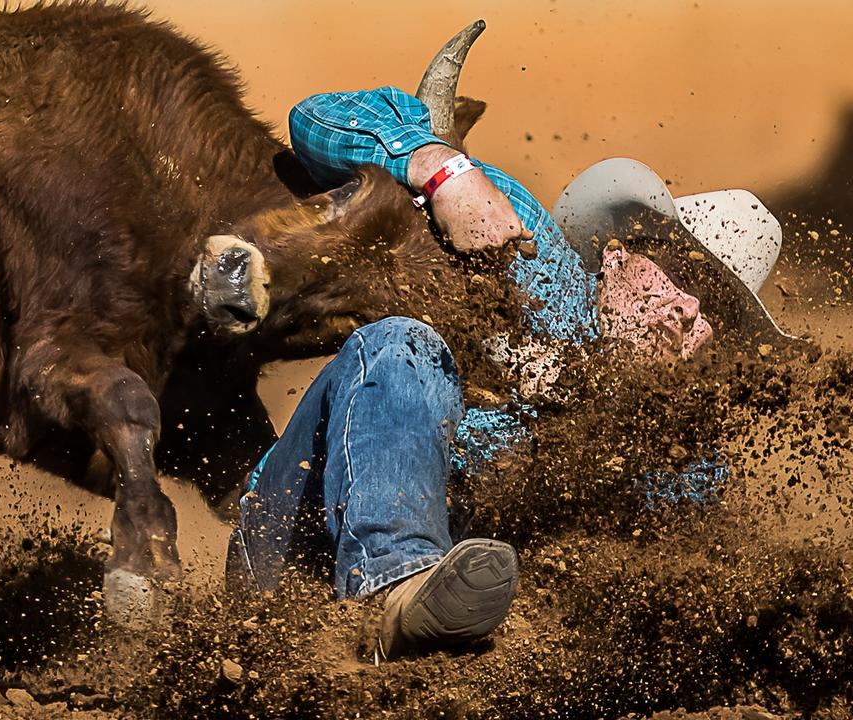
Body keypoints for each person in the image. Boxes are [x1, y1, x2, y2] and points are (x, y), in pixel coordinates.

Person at [225, 86, 792, 661]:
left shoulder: (678, 449)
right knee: (403, 345)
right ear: (620, 255)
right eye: (679, 274)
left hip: (470, 633)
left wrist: (606, 412)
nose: (689, 309)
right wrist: (444, 173)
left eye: (714, 311)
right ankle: (392, 588)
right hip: (290, 548)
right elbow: (315, 120)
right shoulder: (529, 247)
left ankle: (432, 615)